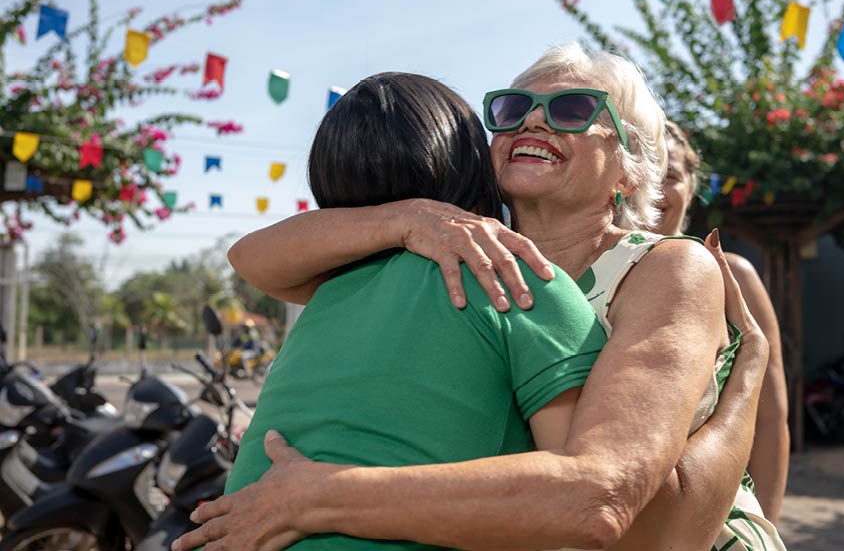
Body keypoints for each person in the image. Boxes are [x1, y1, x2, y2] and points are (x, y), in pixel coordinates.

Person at [174, 45, 780, 551]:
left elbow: (638, 517)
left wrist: (320, 496)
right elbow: (253, 259)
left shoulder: (666, 266)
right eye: (513, 109)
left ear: (629, 170)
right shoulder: (453, 256)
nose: (532, 123)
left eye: (572, 108)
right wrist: (406, 216)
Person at [196, 71, 610, 551]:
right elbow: (580, 506)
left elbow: (248, 256)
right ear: (475, 165)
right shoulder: (517, 281)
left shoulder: (327, 287)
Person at [654, 121, 789, 524]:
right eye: (644, 171)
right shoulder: (583, 275)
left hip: (713, 520)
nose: (656, 188)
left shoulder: (735, 277)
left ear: (693, 187)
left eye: (671, 175)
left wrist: (763, 529)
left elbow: (769, 417)